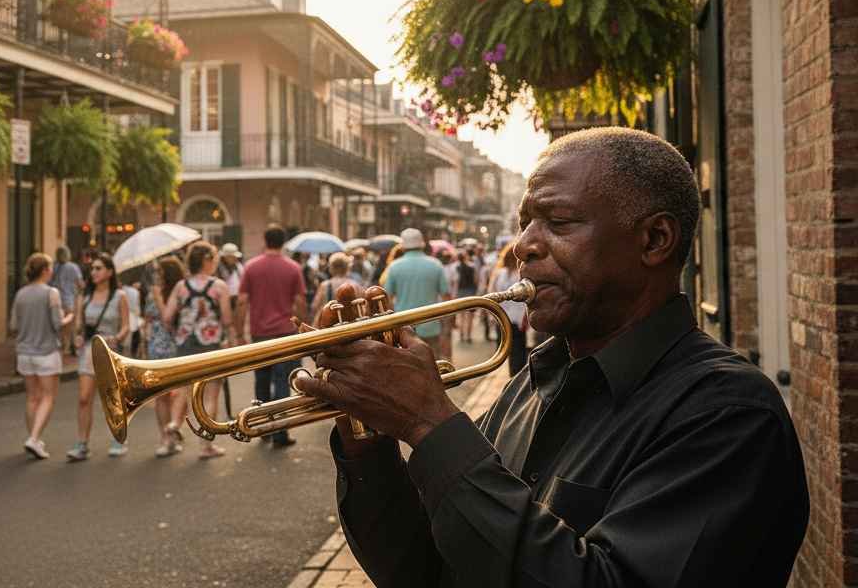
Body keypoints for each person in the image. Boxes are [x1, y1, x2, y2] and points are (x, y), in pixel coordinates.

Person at [297, 127, 809, 586]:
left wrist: (430, 425)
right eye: (524, 224)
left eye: (558, 222)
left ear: (654, 240)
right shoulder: (532, 382)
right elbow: (423, 570)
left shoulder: (727, 413)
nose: (523, 246)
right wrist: (368, 441)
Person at [163, 242, 236, 458]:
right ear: (206, 260)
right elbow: (226, 319)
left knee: (185, 392)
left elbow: (167, 317)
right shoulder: (219, 286)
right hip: (210, 346)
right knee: (210, 395)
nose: (215, 263)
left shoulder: (180, 286)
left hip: (185, 343)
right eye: (213, 259)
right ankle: (206, 445)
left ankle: (174, 425)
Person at [237, 225, 306, 449]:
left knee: (262, 381)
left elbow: (241, 301)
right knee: (282, 381)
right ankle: (280, 434)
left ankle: (262, 429)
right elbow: (300, 302)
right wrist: (302, 326)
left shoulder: (251, 267)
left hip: (260, 333)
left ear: (265, 241)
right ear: (283, 242)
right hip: (285, 333)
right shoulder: (293, 267)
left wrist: (239, 332)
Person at [68, 252, 131, 461]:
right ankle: (82, 444)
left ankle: (118, 440)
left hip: (110, 352)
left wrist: (117, 337)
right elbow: (78, 325)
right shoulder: (84, 297)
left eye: (98, 268)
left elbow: (126, 327)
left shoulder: (119, 297)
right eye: (92, 269)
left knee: (113, 400)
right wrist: (76, 337)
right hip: (88, 351)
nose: (93, 272)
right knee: (84, 398)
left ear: (109, 272)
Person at [10, 253, 72, 460]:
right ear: (45, 270)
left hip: (24, 353)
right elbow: (58, 323)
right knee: (48, 396)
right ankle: (34, 439)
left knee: (32, 397)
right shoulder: (51, 293)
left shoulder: (20, 294)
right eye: (50, 267)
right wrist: (70, 316)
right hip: (46, 352)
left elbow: (13, 325)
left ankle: (33, 437)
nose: (52, 270)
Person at [381, 228, 450, 359]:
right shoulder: (436, 265)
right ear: (422, 244)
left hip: (404, 328)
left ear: (403, 246)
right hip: (431, 325)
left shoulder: (394, 267)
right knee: (433, 366)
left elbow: (387, 299)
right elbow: (446, 296)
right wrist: (446, 327)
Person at [145, 255, 187, 457]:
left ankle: (174, 431)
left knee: (178, 394)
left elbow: (167, 320)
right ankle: (164, 438)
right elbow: (148, 319)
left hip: (175, 347)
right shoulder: (153, 292)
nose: (157, 277)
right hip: (156, 348)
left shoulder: (179, 292)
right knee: (160, 396)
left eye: (160, 273)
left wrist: (159, 298)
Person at [487, 243, 528, 376]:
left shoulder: (500, 274)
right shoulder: (520, 275)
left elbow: (492, 293)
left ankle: (513, 376)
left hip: (503, 317)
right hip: (515, 317)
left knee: (508, 350)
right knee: (517, 351)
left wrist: (491, 317)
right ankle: (515, 376)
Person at [310, 252, 357, 323]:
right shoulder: (355, 285)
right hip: (351, 325)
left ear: (331, 268)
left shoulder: (325, 285)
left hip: (330, 326)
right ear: (347, 267)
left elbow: (314, 306)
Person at [453, 250, 480, 343]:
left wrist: (455, 294)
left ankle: (461, 335)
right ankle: (468, 336)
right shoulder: (472, 266)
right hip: (470, 292)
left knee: (461, 316)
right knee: (470, 316)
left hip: (460, 292)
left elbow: (455, 282)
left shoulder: (456, 267)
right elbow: (476, 280)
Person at [51, 245, 84, 316]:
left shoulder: (53, 267)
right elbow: (81, 284)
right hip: (69, 301)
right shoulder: (74, 267)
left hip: (54, 301)